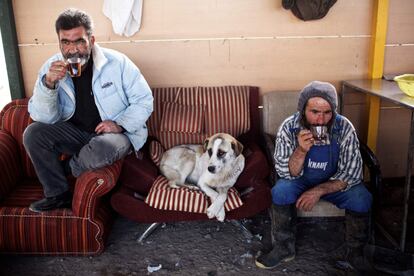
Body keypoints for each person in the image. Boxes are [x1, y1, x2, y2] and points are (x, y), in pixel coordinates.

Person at [23, 8, 153, 213]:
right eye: (66, 42)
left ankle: (69, 169)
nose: (72, 50)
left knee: (102, 147)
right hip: (76, 133)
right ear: (59, 43)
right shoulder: (51, 67)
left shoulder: (117, 63)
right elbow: (42, 118)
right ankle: (58, 194)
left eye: (79, 41)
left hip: (113, 135)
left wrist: (120, 124)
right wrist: (49, 85)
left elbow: (144, 100)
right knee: (33, 133)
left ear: (91, 41)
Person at [255, 81, 373, 272]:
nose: (320, 120)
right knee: (280, 191)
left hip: (334, 182)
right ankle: (283, 247)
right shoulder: (289, 127)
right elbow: (285, 173)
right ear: (303, 110)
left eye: (327, 113)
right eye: (315, 112)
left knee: (362, 198)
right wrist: (301, 150)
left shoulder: (344, 128)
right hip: (300, 180)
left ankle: (355, 252)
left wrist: (318, 190)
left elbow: (351, 173)